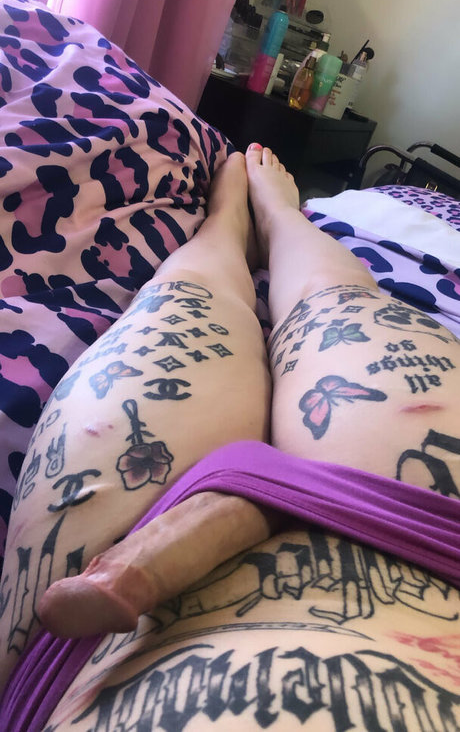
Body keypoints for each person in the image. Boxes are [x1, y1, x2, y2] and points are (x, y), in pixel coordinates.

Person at [1, 145, 459, 731]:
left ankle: (232, 224)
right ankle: (267, 217)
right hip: (430, 524)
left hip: (73, 657)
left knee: (187, 291)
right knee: (331, 293)